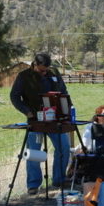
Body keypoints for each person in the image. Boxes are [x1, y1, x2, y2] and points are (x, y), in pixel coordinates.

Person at [10, 53, 71, 195]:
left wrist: (67, 110)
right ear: (34, 64)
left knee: (64, 147)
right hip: (35, 120)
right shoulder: (23, 76)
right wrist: (27, 112)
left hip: (56, 120)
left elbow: (63, 91)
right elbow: (14, 96)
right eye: (42, 70)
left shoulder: (54, 73)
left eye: (46, 70)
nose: (45, 73)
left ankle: (59, 180)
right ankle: (33, 185)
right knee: (34, 153)